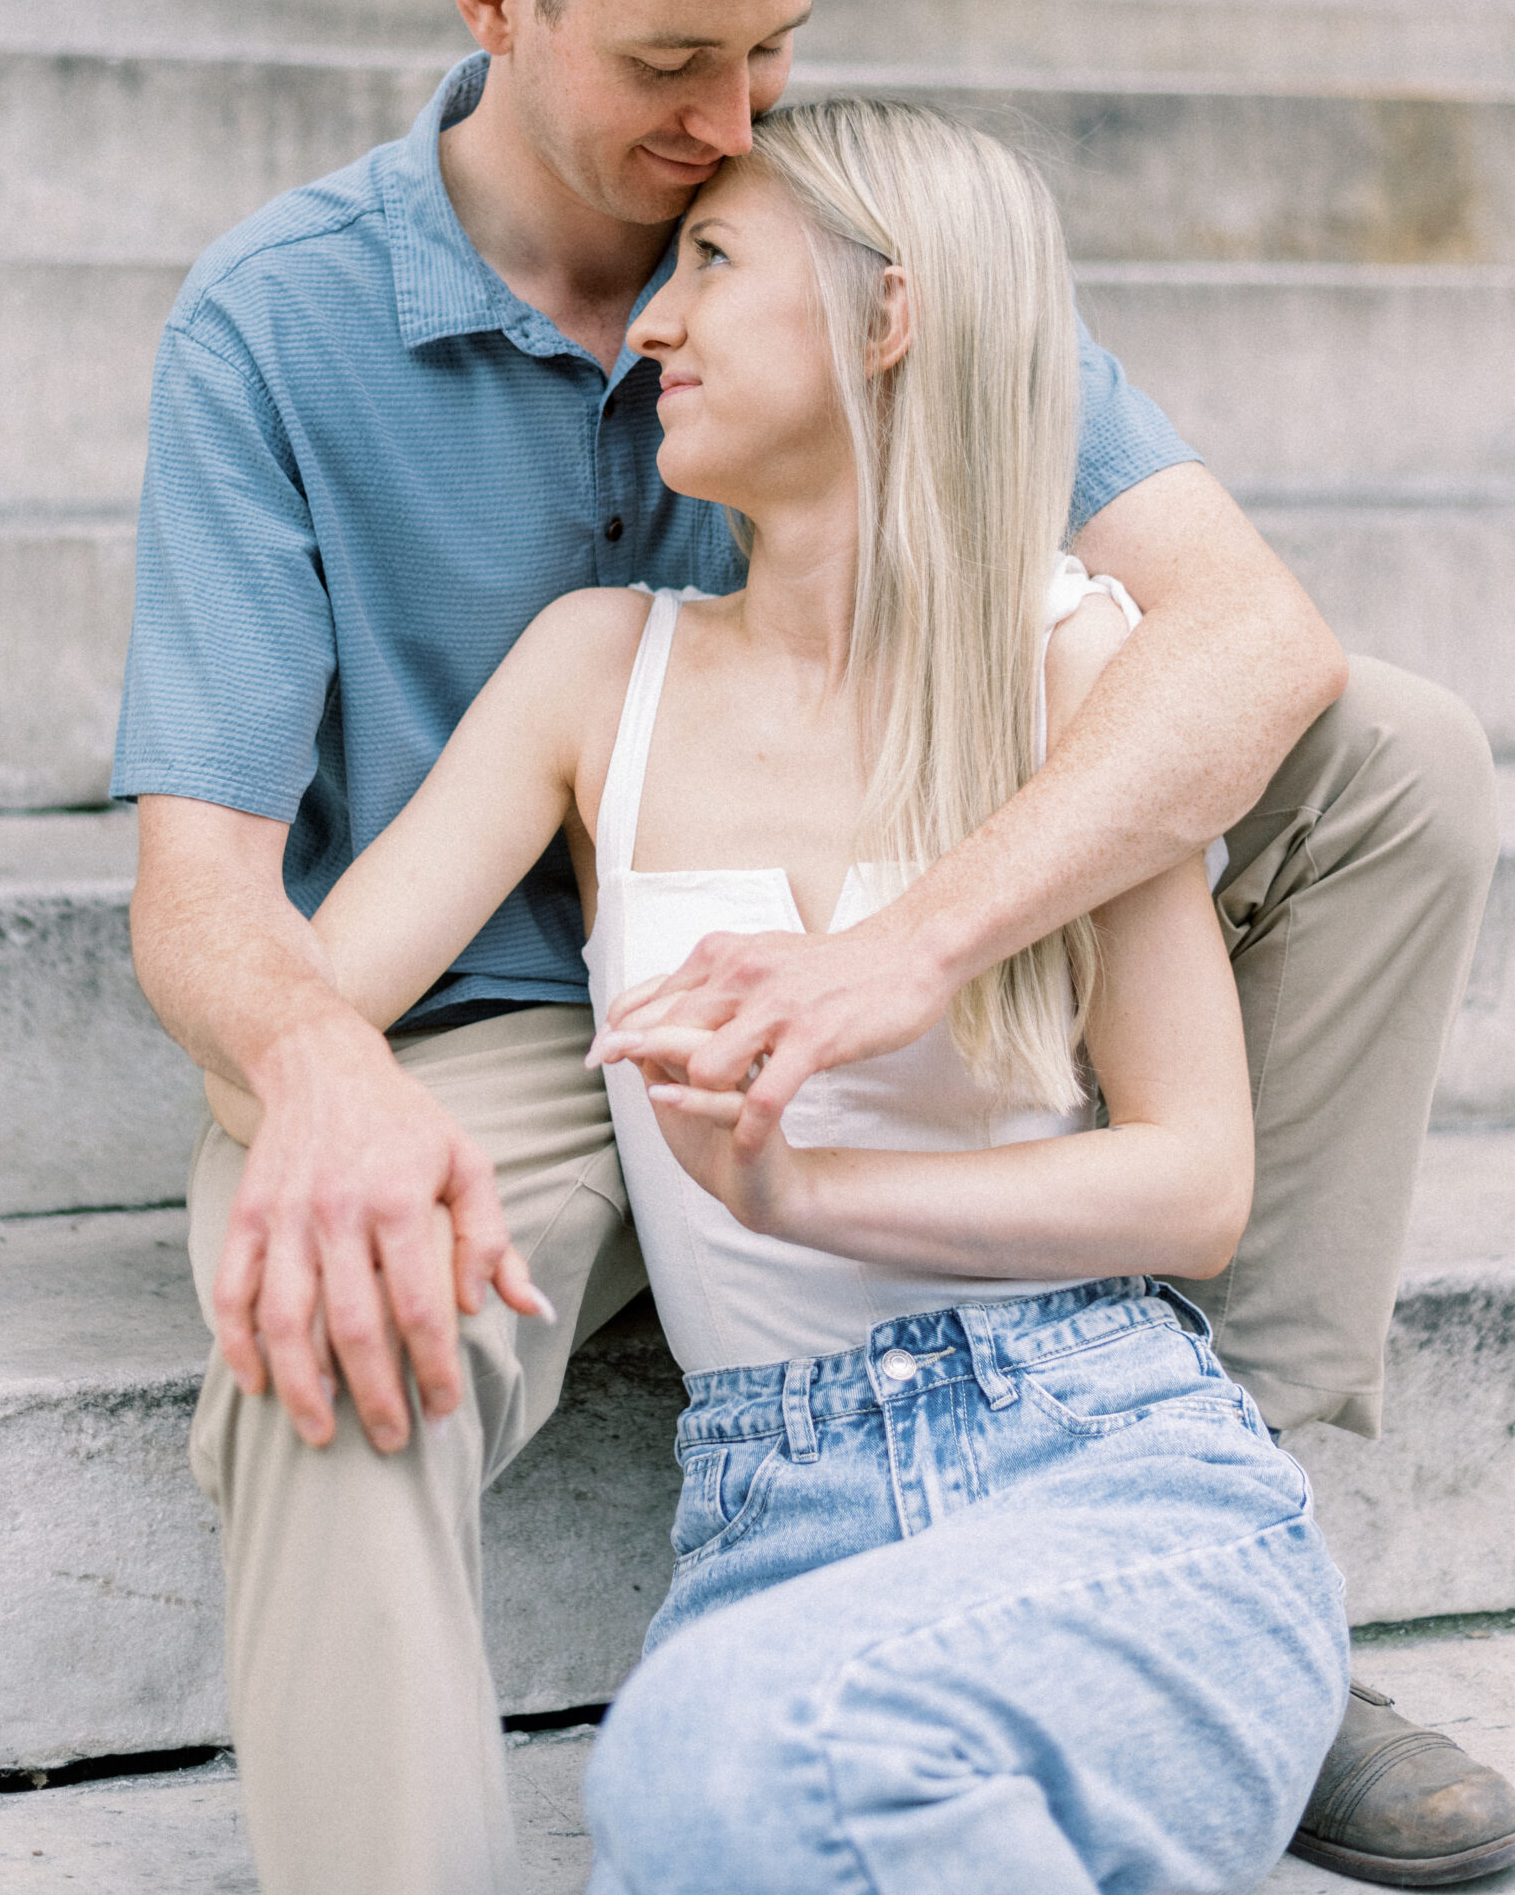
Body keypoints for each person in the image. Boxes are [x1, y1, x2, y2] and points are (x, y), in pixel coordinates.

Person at [115, 0, 1505, 1894]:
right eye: (676, 60)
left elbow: (1248, 638)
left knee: (1403, 761)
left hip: (875, 962)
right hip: (501, 1020)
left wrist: (907, 943)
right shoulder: (275, 326)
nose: (735, 116)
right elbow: (203, 902)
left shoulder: (841, 246)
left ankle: (1230, 1535)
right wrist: (319, 1074)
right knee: (329, 1328)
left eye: (780, 46)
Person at [311, 96, 1353, 1890]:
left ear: (886, 320)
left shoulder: (1071, 665)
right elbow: (314, 999)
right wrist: (337, 1107)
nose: (649, 325)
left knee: (729, 1765)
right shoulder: (594, 669)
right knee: (736, 1780)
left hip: (1112, 1472)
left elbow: (1193, 1188)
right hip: (770, 1525)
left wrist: (809, 1195)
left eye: (710, 261)